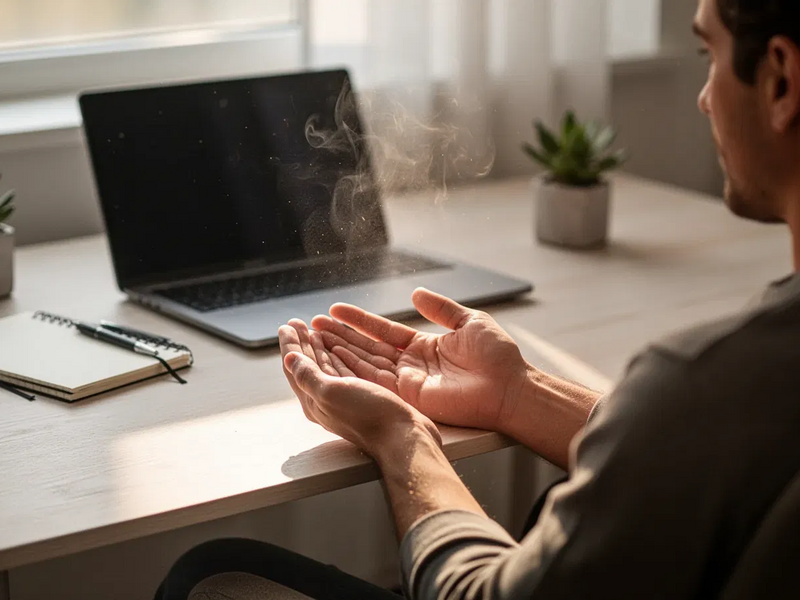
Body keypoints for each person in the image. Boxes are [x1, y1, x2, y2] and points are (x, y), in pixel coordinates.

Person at [155, 0, 800, 598]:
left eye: (707, 56)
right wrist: (517, 394)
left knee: (206, 575)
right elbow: (695, 458)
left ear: (780, 81)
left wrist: (401, 435)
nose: (704, 97)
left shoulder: (708, 381)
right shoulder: (733, 394)